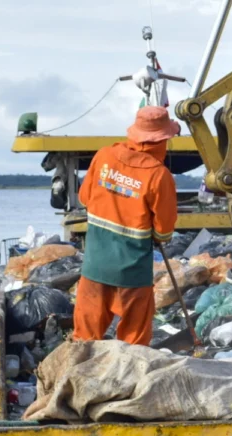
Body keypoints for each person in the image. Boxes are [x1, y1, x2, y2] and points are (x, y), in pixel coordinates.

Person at [72, 106, 180, 345]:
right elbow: (163, 231)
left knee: (84, 339)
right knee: (134, 343)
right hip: (133, 273)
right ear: (163, 139)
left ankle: (78, 377)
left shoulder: (104, 157)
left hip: (96, 266)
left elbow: (85, 198)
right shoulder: (159, 176)